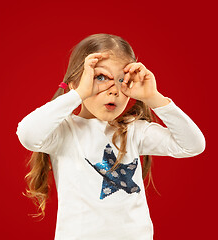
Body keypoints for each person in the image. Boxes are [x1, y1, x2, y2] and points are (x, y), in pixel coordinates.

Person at [16, 33, 205, 240]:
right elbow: (28, 134)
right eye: (101, 77)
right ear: (76, 81)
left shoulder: (133, 130)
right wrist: (79, 94)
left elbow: (192, 145)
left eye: (122, 79)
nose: (114, 90)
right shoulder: (64, 131)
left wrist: (153, 97)